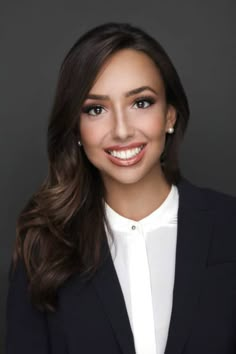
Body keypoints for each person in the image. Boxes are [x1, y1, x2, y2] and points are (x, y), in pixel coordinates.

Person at [6, 22, 236, 354]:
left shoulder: (229, 226)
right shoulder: (43, 246)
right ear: (76, 129)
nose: (122, 130)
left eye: (141, 103)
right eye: (96, 109)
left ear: (170, 115)